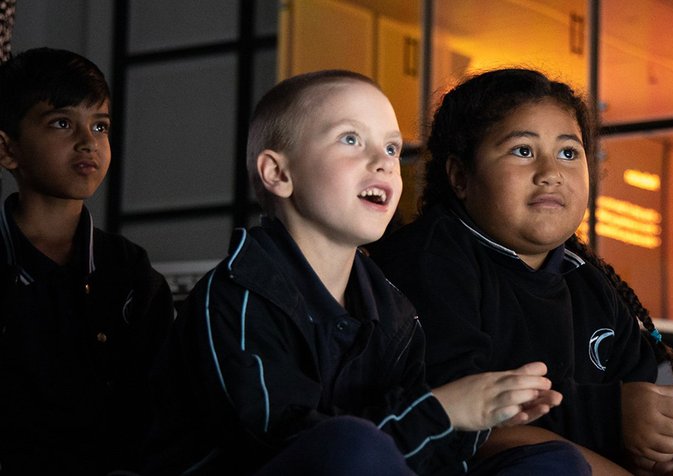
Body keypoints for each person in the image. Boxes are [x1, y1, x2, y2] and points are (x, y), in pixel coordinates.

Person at [142, 69, 587, 476]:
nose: (383, 161)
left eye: (392, 147)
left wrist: (478, 420)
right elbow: (291, 445)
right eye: (351, 140)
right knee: (350, 443)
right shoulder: (237, 298)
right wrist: (440, 410)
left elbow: (417, 456)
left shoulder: (393, 312)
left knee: (553, 462)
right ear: (278, 173)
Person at [371, 68, 673, 475]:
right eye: (523, 151)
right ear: (460, 176)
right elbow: (465, 410)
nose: (551, 171)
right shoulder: (430, 258)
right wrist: (615, 416)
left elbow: (633, 392)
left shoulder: (592, 283)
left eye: (568, 153)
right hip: (462, 451)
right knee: (546, 455)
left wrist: (665, 438)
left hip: (576, 452)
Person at [0, 47, 174, 475]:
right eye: (62, 123)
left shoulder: (129, 270)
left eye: (100, 126)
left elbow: (166, 401)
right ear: (7, 150)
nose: (88, 142)